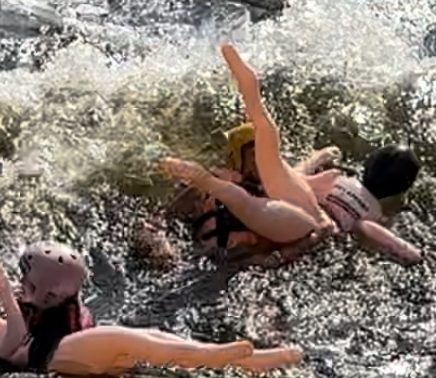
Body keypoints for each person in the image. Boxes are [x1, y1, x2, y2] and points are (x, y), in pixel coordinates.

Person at [159, 43, 422, 266]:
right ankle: (408, 252)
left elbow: (300, 178)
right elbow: (358, 228)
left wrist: (319, 157)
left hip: (292, 212)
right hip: (302, 227)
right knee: (256, 202)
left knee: (268, 170)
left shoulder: (339, 179)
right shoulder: (374, 213)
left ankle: (251, 93)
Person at [0, 243, 302, 376]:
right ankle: (211, 355)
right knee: (132, 339)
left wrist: (17, 299)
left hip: (66, 348)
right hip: (57, 358)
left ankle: (254, 361)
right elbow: (10, 343)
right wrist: (10, 303)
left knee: (153, 339)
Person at [135, 123, 341, 268]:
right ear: (237, 160)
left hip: (252, 267)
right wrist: (162, 247)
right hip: (205, 263)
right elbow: (155, 223)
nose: (264, 161)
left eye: (269, 153)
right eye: (255, 156)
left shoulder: (284, 188)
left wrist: (278, 257)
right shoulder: (210, 185)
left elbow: (325, 228)